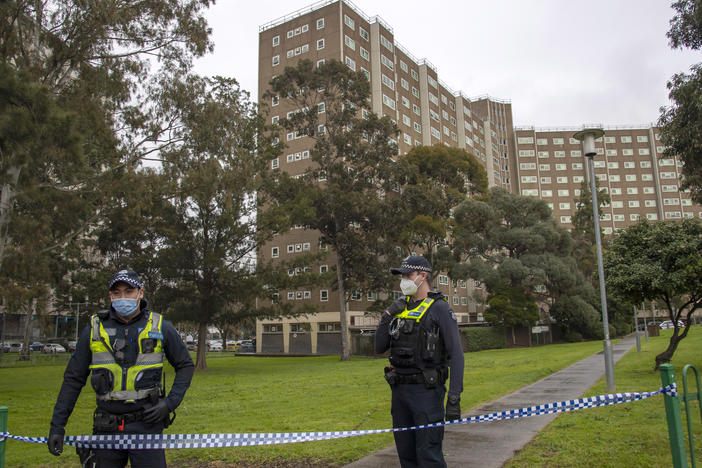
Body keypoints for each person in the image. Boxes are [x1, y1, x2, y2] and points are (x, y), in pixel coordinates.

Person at [48, 270, 194, 468]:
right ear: (110, 296)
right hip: (106, 427)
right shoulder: (94, 328)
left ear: (140, 293)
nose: (122, 298)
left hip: (147, 425)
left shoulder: (160, 326)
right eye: (117, 293)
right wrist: (57, 426)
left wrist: (169, 403)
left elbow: (185, 365)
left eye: (129, 291)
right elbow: (73, 379)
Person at [375, 255, 465, 468]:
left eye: (408, 275)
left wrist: (454, 397)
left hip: (427, 393)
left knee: (428, 456)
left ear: (422, 276)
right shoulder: (400, 308)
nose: (403, 280)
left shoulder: (439, 308)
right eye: (402, 276)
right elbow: (379, 346)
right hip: (400, 393)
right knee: (406, 456)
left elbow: (456, 354)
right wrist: (388, 314)